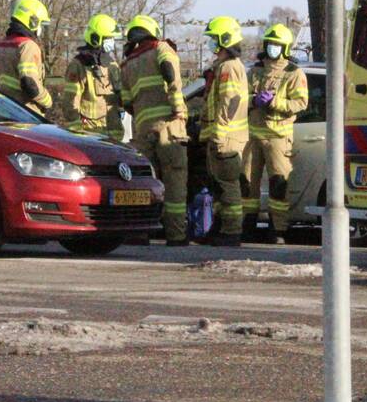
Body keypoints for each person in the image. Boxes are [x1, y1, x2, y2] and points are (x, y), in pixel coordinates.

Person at [120, 15, 188, 246]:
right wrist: (177, 107)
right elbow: (170, 73)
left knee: (145, 182)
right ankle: (176, 235)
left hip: (142, 129)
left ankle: (140, 232)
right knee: (174, 179)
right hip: (169, 125)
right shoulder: (162, 48)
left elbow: (126, 100)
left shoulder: (128, 62)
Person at [243, 23, 308, 243]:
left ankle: (277, 229)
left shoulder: (294, 73)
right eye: (270, 44)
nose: (272, 48)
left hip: (278, 136)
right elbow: (242, 98)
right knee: (247, 182)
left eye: (277, 45)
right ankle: (248, 225)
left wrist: (275, 102)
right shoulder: (255, 71)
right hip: (252, 136)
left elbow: (301, 103)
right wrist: (254, 100)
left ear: (285, 47)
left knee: (278, 183)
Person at [199, 16, 250, 246]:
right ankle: (219, 228)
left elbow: (229, 101)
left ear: (224, 40)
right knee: (218, 186)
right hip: (221, 136)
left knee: (229, 186)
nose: (211, 44)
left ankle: (231, 232)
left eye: (213, 39)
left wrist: (219, 132)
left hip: (227, 138)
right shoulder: (223, 66)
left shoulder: (229, 67)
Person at [0, 0, 53, 115]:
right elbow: (30, 84)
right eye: (40, 23)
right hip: (26, 114)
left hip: (2, 111)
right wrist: (48, 101)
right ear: (33, 22)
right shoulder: (28, 46)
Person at [62, 13, 124, 139]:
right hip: (90, 135)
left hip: (114, 136)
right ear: (96, 39)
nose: (112, 43)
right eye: (108, 38)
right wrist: (77, 133)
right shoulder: (79, 65)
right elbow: (70, 103)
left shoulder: (112, 65)